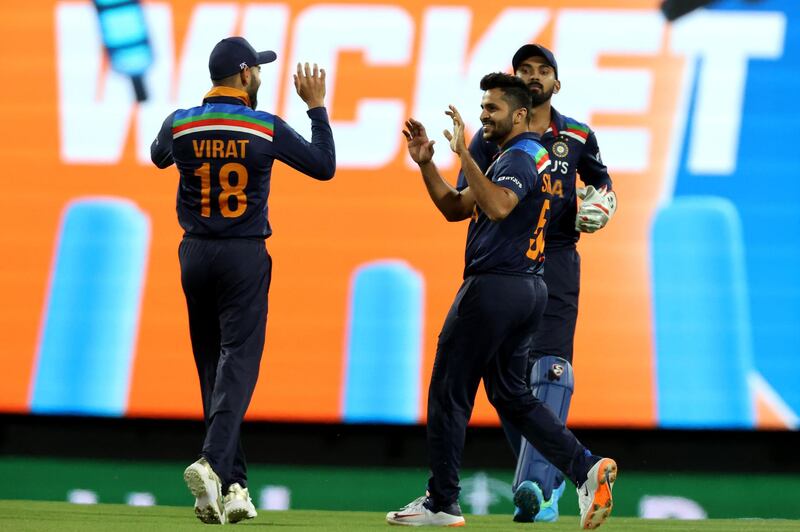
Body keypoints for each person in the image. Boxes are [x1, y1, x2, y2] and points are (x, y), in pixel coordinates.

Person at [386, 72, 616, 530]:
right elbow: (457, 207)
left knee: (449, 389)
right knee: (512, 396)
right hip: (527, 289)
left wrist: (463, 154)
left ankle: (442, 502)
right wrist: (427, 164)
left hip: (495, 286)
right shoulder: (524, 156)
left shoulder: (522, 155)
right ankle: (586, 468)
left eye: (491, 108)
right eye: (482, 106)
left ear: (519, 113)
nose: (482, 114)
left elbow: (498, 205)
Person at [150, 36, 335, 524]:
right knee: (240, 364)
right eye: (258, 70)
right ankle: (212, 462)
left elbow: (158, 155)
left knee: (212, 367)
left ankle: (234, 487)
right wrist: (316, 109)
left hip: (194, 254)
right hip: (242, 254)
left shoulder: (180, 121)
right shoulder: (264, 127)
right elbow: (324, 167)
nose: (261, 77)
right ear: (245, 74)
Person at [459, 44, 617, 523]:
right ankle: (551, 484)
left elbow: (603, 186)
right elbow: (469, 198)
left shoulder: (577, 134)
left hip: (557, 260)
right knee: (505, 382)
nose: (533, 76)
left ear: (556, 82)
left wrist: (601, 206)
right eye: (524, 69)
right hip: (505, 261)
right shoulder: (494, 132)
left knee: (550, 370)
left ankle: (537, 488)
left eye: (542, 70)